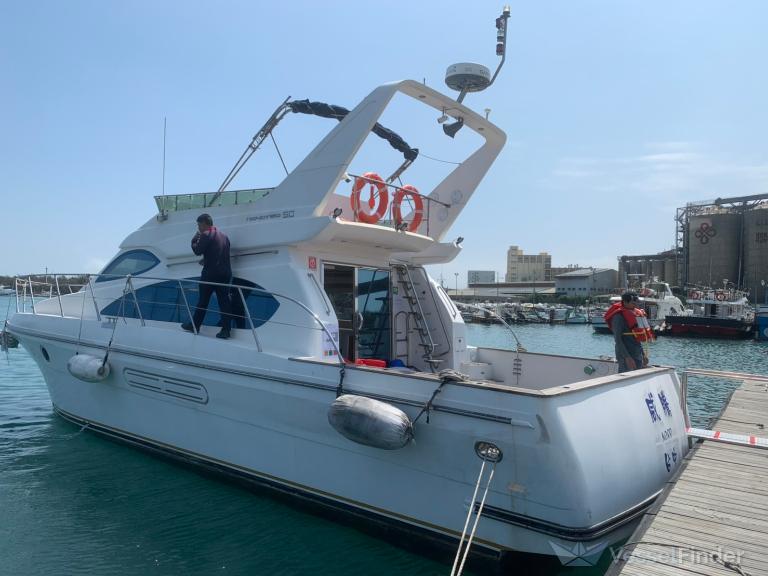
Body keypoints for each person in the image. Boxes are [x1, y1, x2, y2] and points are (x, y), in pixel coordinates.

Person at [181, 213, 233, 339]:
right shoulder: (224, 236)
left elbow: (197, 250)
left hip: (210, 274)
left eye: (199, 225)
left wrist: (194, 240)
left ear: (204, 224)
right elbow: (219, 253)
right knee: (224, 302)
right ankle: (226, 330)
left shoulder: (205, 234)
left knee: (203, 301)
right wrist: (207, 259)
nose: (198, 228)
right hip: (225, 273)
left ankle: (195, 326)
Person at [604, 291, 653, 373]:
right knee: (626, 378)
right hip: (625, 355)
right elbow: (618, 340)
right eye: (633, 303)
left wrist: (643, 355)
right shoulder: (618, 317)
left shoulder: (636, 314)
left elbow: (637, 338)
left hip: (637, 353)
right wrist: (627, 357)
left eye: (636, 302)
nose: (636, 305)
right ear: (625, 302)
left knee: (637, 378)